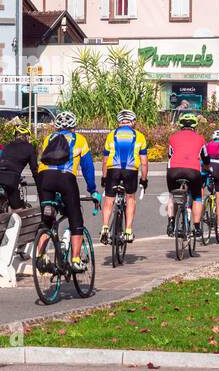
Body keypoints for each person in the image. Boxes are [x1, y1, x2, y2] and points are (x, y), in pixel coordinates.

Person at [36, 110, 100, 272]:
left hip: (45, 179)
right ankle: (76, 260)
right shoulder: (79, 139)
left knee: (47, 221)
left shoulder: (48, 139)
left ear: (57, 127)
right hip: (66, 179)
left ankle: (41, 257)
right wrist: (92, 190)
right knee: (75, 219)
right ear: (74, 126)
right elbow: (88, 167)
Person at [100, 109, 149, 244]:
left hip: (113, 169)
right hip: (130, 170)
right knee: (130, 198)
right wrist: (144, 180)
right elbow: (144, 162)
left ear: (119, 122)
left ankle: (105, 227)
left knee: (109, 199)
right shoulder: (139, 136)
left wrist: (104, 177)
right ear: (132, 122)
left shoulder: (111, 135)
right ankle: (128, 230)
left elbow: (105, 160)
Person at [165, 112, 209, 237]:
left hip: (173, 170)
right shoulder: (200, 139)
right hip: (193, 171)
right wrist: (207, 167)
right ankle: (196, 227)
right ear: (195, 126)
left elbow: (170, 155)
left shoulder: (173, 137)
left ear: (180, 125)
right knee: (197, 197)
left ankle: (171, 222)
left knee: (172, 195)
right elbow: (205, 158)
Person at [0, 121, 40, 213]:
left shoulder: (7, 146)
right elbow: (34, 169)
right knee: (18, 210)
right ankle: (14, 223)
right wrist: (39, 184)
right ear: (26, 136)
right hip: (11, 177)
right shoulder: (29, 148)